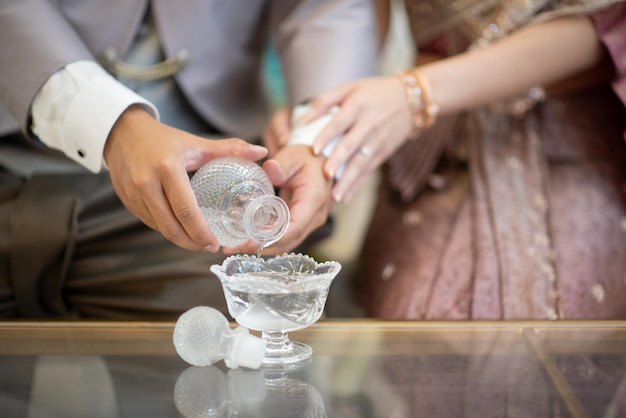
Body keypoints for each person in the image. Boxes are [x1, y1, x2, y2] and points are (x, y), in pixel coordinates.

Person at [0, 0, 378, 319]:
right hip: (11, 147)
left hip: (197, 203)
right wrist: (113, 126)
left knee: (242, 345)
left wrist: (317, 139)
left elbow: (324, 8)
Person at [284, 0, 626, 319]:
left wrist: (416, 94)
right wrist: (319, 125)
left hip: (566, 135)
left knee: (567, 313)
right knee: (418, 311)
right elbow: (345, 14)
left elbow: (610, 18)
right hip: (434, 151)